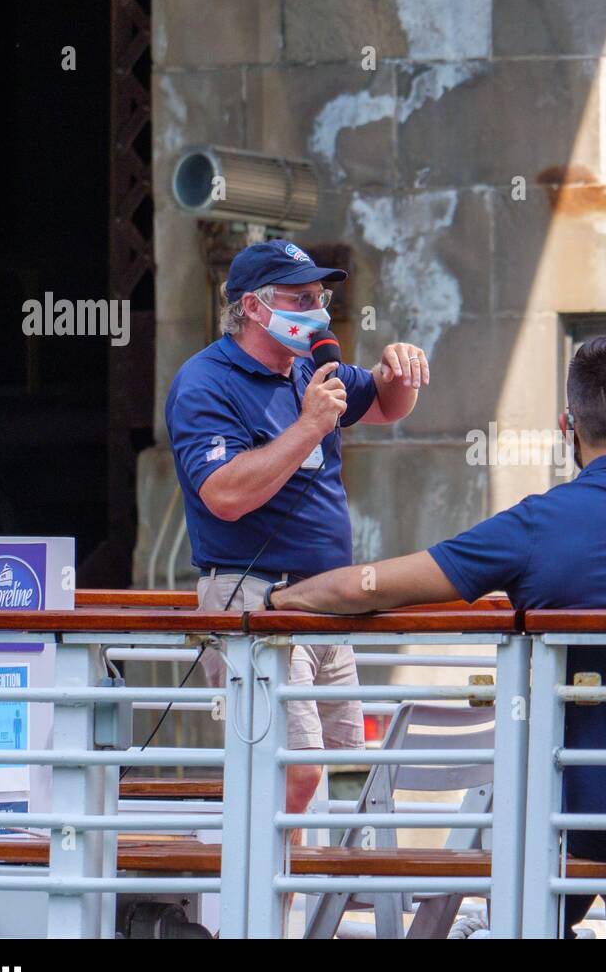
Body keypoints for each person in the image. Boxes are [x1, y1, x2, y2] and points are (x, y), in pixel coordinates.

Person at [266, 334, 606, 938]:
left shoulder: (538, 525)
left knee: (569, 831)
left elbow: (372, 588)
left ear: (567, 426)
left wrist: (278, 599)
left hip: (598, 816)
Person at [165, 238, 431, 837]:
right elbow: (225, 494)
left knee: (340, 760)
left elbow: (388, 406)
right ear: (255, 308)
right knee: (292, 769)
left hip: (326, 600)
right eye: (302, 297)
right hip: (255, 598)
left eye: (321, 296)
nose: (319, 310)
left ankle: (302, 907)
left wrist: (400, 368)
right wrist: (311, 425)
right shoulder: (205, 381)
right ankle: (264, 911)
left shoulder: (312, 364)